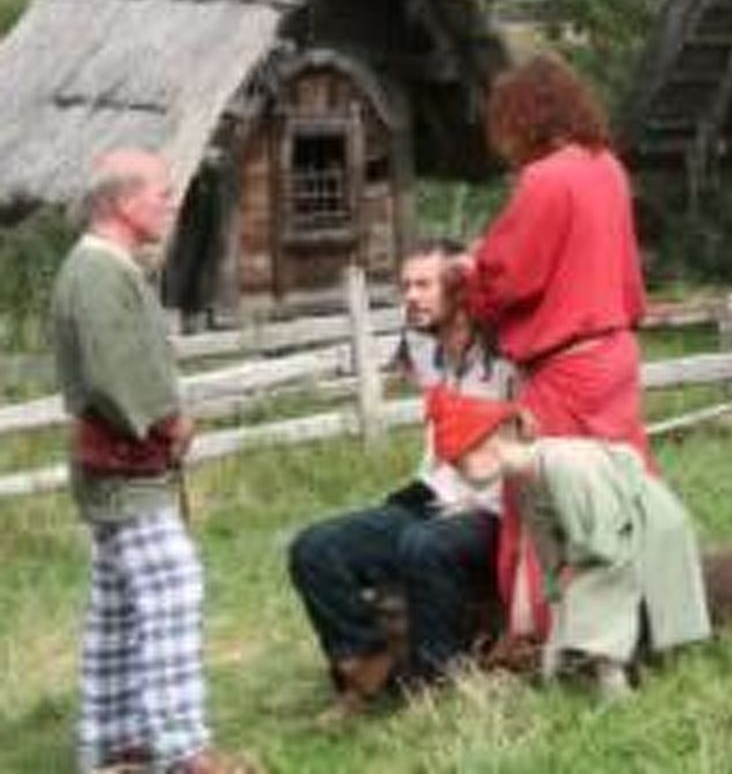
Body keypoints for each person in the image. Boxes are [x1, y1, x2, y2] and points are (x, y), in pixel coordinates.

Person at [48, 149, 250, 774]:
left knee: (117, 607)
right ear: (123, 201)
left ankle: (114, 748)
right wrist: (169, 421)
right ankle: (181, 752)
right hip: (127, 469)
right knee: (171, 594)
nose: (173, 201)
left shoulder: (101, 266)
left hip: (119, 471)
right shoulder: (98, 273)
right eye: (162, 192)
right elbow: (115, 374)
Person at [453, 54, 653, 640]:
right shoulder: (607, 167)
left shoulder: (545, 180)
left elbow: (509, 276)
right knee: (619, 491)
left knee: (545, 498)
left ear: (522, 118)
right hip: (614, 354)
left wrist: (469, 269)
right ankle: (638, 615)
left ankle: (542, 633)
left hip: (566, 369)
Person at [285, 245, 514, 713]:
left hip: (494, 505)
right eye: (405, 286)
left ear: (458, 288)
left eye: (423, 285)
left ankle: (437, 682)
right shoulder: (426, 350)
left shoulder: (508, 353)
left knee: (423, 546)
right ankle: (369, 668)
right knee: (315, 547)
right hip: (435, 493)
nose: (410, 296)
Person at [426, 388, 709, 699]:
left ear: (487, 445)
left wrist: (571, 569)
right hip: (600, 541)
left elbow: (601, 536)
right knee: (566, 592)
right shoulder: (524, 481)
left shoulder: (565, 464)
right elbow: (547, 540)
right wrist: (555, 579)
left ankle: (612, 680)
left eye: (459, 462)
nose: (459, 473)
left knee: (597, 586)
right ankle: (560, 676)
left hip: (644, 527)